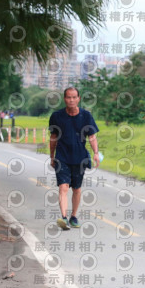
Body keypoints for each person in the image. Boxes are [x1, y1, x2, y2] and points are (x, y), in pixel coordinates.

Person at [49, 87, 100, 230]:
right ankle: (64, 217)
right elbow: (53, 137)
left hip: (79, 157)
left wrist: (96, 153)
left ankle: (73, 216)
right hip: (62, 157)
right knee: (63, 187)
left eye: (74, 97)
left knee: (76, 189)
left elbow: (92, 136)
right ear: (64, 99)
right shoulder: (56, 116)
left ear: (78, 99)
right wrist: (52, 156)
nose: (71, 100)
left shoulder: (86, 116)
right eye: (68, 97)